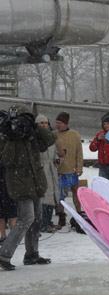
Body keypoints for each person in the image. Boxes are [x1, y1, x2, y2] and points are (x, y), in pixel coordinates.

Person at [0, 105, 57, 270]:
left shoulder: (31, 133)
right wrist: (11, 137)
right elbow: (6, 160)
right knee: (27, 218)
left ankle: (32, 254)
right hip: (19, 184)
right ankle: (4, 254)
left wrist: (34, 126)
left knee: (37, 219)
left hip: (36, 182)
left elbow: (51, 140)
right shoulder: (6, 136)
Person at [54, 112, 83, 228]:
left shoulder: (75, 135)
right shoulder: (53, 135)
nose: (57, 125)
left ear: (65, 124)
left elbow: (79, 153)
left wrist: (79, 167)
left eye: (59, 123)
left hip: (72, 169)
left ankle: (78, 212)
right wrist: (57, 153)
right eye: (56, 123)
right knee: (60, 195)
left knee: (76, 191)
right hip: (59, 170)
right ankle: (61, 214)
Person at [36, 115, 59, 233]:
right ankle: (42, 223)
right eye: (41, 123)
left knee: (51, 196)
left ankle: (48, 221)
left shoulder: (51, 137)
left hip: (51, 169)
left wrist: (57, 159)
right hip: (41, 169)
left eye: (46, 122)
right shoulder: (34, 138)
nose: (44, 125)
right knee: (43, 197)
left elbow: (54, 153)